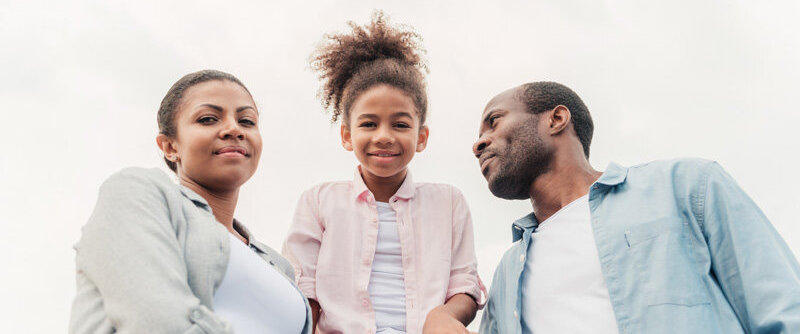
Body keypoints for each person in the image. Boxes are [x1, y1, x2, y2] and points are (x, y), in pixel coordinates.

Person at [474, 81, 800, 333]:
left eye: (494, 121)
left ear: (556, 119)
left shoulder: (686, 187)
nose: (478, 144)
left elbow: (783, 310)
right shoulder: (505, 275)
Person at [282, 12, 485, 334]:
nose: (384, 136)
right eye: (369, 124)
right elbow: (303, 286)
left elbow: (464, 284)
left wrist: (444, 317)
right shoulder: (318, 202)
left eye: (401, 124)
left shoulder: (449, 202)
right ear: (347, 136)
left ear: (421, 138)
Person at [69, 70, 312, 333]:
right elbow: (157, 320)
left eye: (247, 121)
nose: (234, 129)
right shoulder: (139, 193)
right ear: (170, 147)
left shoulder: (279, 266)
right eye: (208, 119)